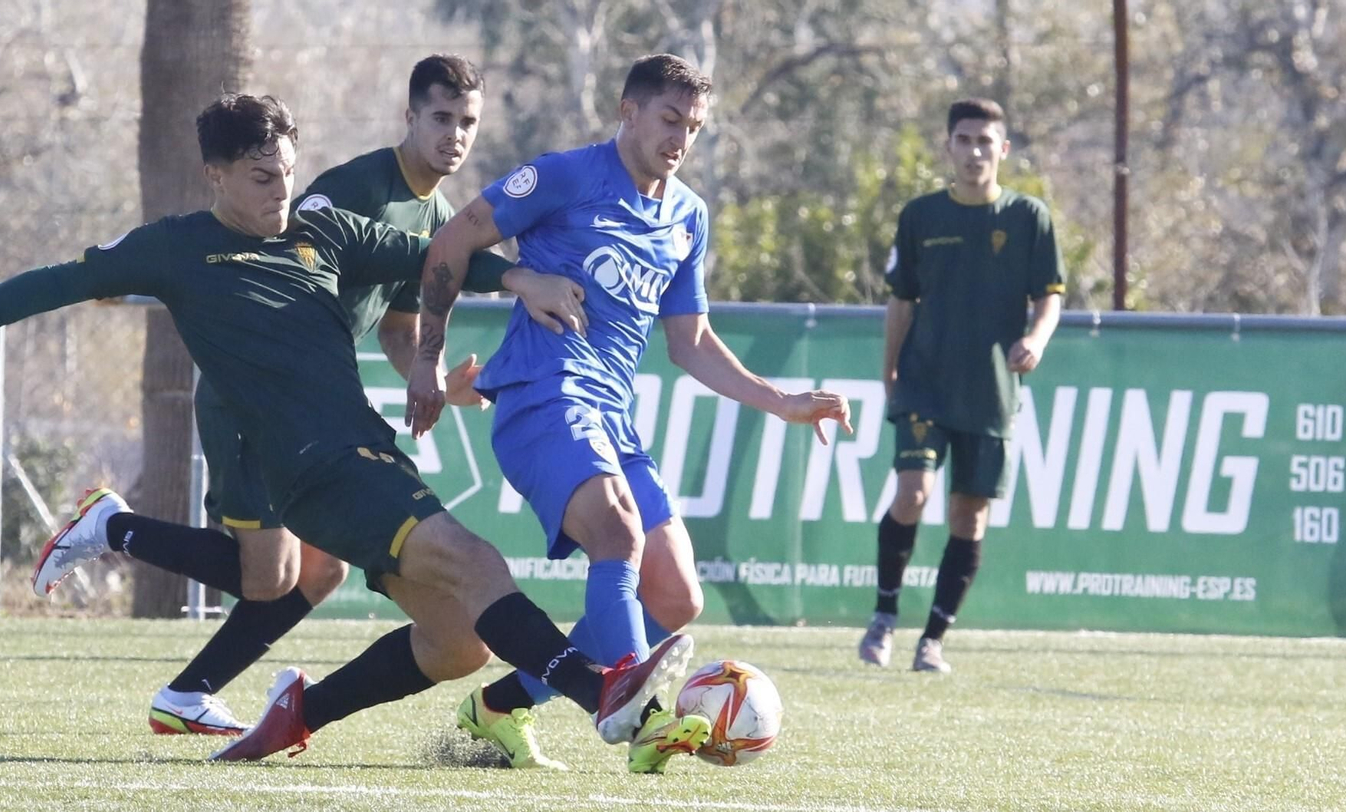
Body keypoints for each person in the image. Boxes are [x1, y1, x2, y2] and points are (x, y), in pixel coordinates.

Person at [0, 93, 695, 770]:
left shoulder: (318, 227)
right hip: (310, 468)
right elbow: (57, 282)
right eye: (261, 178)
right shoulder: (175, 248)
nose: (280, 192)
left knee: (457, 645)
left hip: (363, 451)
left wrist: (522, 277)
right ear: (215, 174)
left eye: (287, 173)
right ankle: (599, 693)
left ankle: (297, 713)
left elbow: (433, 254)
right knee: (479, 564)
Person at [80, 54, 565, 742]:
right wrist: (126, 272)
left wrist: (431, 377)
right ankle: (112, 532)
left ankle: (187, 689)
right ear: (410, 117)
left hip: (309, 408)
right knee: (271, 572)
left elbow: (398, 328)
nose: (454, 134)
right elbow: (256, 244)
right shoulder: (354, 188)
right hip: (251, 398)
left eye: (468, 122)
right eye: (440, 118)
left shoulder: (440, 217)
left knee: (315, 569)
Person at [404, 54, 853, 773]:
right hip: (542, 398)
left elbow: (692, 342)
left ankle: (499, 707)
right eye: (670, 119)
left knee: (676, 595)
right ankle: (640, 716)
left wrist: (782, 402)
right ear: (629, 111)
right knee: (617, 531)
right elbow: (451, 241)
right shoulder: (564, 177)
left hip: (613, 417)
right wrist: (428, 359)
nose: (681, 139)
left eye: (695, 127)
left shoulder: (687, 217)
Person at [859, 97, 1065, 674]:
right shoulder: (922, 215)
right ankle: (883, 616)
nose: (974, 151)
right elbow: (902, 299)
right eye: (964, 139)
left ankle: (933, 640)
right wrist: (890, 371)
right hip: (926, 382)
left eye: (985, 141)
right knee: (912, 493)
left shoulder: (1028, 217)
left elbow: (1050, 292)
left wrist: (1039, 338)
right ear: (948, 147)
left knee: (969, 517)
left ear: (1003, 150)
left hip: (991, 390)